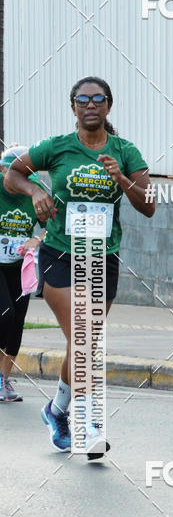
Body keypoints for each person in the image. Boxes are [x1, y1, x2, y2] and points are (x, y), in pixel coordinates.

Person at [5, 76, 155, 456]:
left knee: (84, 342)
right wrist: (37, 190)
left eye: (98, 98)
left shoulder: (125, 151)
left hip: (103, 257)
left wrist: (121, 179)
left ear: (109, 105)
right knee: (86, 337)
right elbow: (13, 173)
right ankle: (89, 428)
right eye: (83, 99)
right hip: (60, 254)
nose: (91, 105)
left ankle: (57, 410)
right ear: (73, 107)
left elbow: (149, 203)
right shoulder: (57, 147)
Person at [0, 145, 46, 401]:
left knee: (17, 322)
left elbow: (54, 225)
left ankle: (3, 381)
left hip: (20, 265)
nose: (24, 180)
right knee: (4, 315)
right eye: (18, 173)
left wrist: (36, 240)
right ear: (4, 170)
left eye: (28, 174)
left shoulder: (35, 191)